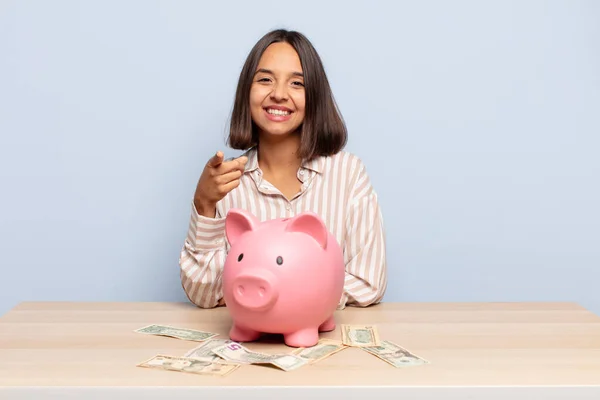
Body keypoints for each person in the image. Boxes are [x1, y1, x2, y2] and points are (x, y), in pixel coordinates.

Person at [179, 29, 387, 310]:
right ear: (246, 91)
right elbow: (204, 294)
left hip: (326, 343)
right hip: (249, 347)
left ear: (314, 96)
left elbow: (368, 281)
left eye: (297, 83)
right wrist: (204, 204)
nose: (278, 94)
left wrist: (280, 301)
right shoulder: (225, 184)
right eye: (265, 80)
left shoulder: (348, 174)